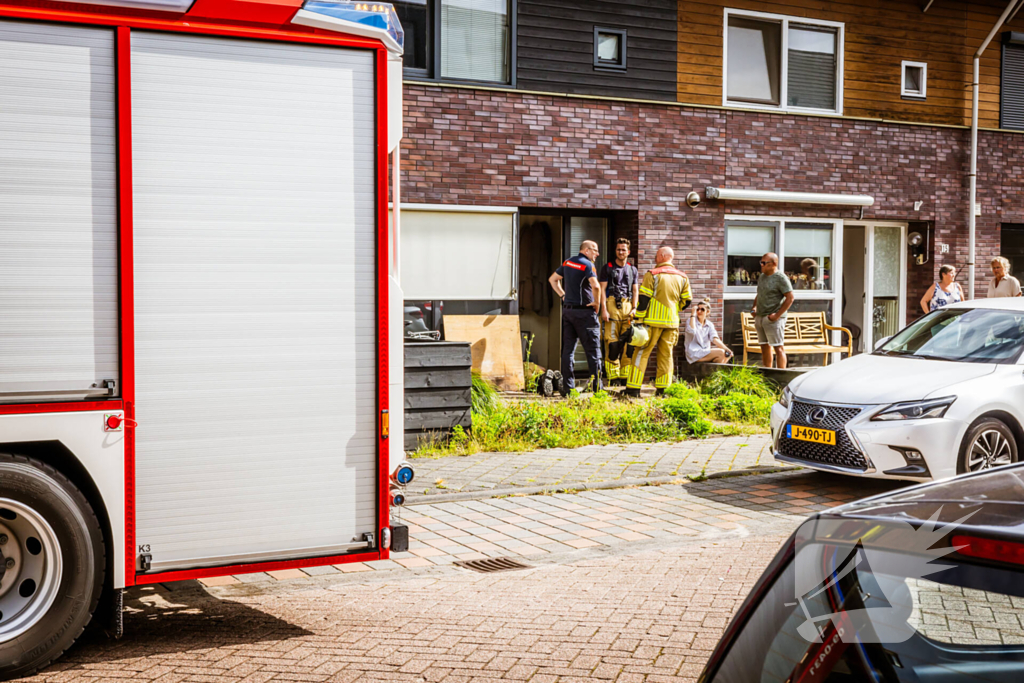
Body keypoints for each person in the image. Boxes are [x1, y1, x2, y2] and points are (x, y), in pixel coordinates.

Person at [625, 246, 692, 397]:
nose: (655, 259)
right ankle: (663, 390)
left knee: (641, 353)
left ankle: (633, 389)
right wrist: (674, 309)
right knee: (666, 355)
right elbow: (687, 301)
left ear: (662, 256)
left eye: (656, 256)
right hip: (672, 323)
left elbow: (644, 298)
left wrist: (639, 317)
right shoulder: (683, 276)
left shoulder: (652, 274)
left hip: (651, 322)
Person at [549, 240, 603, 394]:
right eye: (595, 250)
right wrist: (597, 303)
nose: (597, 254)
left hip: (568, 312)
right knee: (593, 351)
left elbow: (552, 279)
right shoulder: (587, 264)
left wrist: (562, 295)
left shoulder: (567, 262)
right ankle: (597, 390)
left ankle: (568, 389)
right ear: (586, 250)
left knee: (568, 351)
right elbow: (596, 285)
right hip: (585, 312)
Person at [599, 238, 640, 386]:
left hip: (628, 307)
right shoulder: (607, 268)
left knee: (629, 343)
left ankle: (625, 376)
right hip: (611, 305)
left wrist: (635, 308)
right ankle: (613, 377)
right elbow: (601, 290)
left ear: (628, 252)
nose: (620, 252)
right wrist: (603, 309)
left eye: (623, 250)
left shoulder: (633, 269)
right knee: (612, 343)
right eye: (618, 249)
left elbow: (635, 290)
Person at [752, 252, 794, 369]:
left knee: (778, 347)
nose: (761, 265)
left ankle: (781, 376)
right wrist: (754, 308)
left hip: (773, 318)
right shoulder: (762, 277)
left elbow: (790, 298)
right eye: (761, 262)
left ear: (774, 264)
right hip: (760, 317)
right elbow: (760, 294)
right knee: (764, 347)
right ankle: (767, 374)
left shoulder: (780, 278)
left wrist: (776, 316)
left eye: (764, 263)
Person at [684, 298, 733, 364]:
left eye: (702, 309)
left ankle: (714, 374)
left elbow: (715, 339)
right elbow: (691, 331)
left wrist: (727, 349)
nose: (699, 311)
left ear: (707, 312)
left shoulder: (709, 324)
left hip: (704, 352)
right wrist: (693, 314)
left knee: (726, 354)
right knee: (721, 352)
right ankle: (716, 374)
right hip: (694, 353)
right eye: (698, 309)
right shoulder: (691, 321)